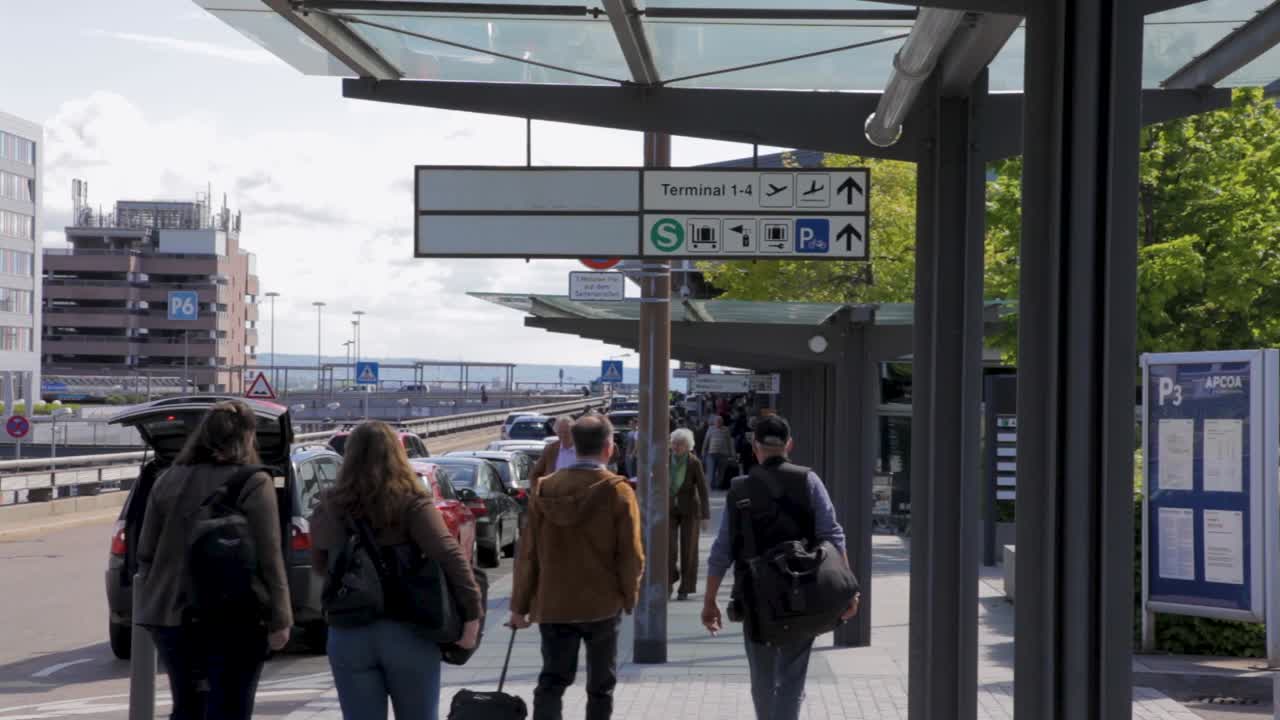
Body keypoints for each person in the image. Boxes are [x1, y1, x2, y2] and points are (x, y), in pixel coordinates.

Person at [310, 422, 483, 720]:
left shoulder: (328, 504)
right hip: (408, 629)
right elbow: (450, 555)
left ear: (348, 456)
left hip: (349, 631)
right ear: (397, 454)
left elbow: (320, 564)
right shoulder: (411, 502)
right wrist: (471, 615)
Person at [135, 400, 292, 720]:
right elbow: (269, 556)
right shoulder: (254, 482)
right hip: (236, 614)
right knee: (231, 705)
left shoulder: (167, 478)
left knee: (187, 706)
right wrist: (281, 618)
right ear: (247, 437)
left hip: (171, 615)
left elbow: (145, 551)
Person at [701, 416, 859, 720]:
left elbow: (722, 551)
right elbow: (832, 534)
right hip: (803, 593)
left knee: (762, 681)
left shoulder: (740, 489)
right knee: (791, 679)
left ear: (755, 447)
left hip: (755, 598)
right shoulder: (808, 480)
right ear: (789, 445)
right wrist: (848, 590)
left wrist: (710, 602)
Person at [510, 415, 644, 720]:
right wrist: (629, 596)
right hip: (602, 602)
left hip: (553, 602)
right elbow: (631, 554)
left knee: (552, 682)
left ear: (571, 444)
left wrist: (519, 606)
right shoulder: (618, 491)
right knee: (600, 686)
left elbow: (528, 553)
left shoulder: (545, 488)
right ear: (609, 448)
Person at [668, 428, 710, 602]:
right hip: (669, 509)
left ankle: (685, 587)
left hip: (690, 510)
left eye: (680, 444)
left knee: (689, 549)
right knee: (668, 548)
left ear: (688, 446)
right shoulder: (665, 460)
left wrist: (705, 516)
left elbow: (702, 488)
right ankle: (669, 580)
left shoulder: (694, 462)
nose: (676, 447)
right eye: (674, 444)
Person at [529, 415, 578, 490]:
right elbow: (535, 474)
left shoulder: (582, 449)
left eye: (566, 432)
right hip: (553, 497)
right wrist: (537, 493)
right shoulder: (550, 449)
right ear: (556, 433)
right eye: (560, 432)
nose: (563, 435)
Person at [703, 415, 734, 490]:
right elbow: (706, 441)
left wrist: (731, 453)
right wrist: (703, 451)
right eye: (717, 421)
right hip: (712, 454)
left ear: (722, 422)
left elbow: (729, 442)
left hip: (723, 454)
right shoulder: (710, 429)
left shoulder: (726, 430)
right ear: (714, 422)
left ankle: (718, 485)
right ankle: (712, 485)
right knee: (711, 471)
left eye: (720, 421)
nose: (719, 423)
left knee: (721, 472)